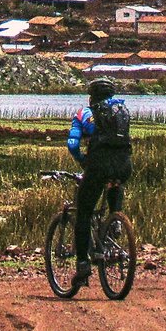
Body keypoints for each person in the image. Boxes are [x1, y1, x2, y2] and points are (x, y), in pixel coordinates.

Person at [67, 76, 133, 288]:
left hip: (98, 166)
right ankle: (115, 220)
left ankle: (83, 264)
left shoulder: (84, 114)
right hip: (124, 166)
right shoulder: (121, 111)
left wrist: (82, 160)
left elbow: (72, 144)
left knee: (84, 212)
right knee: (115, 182)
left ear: (91, 96)